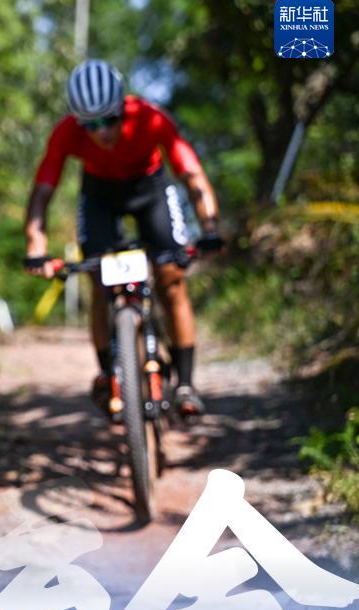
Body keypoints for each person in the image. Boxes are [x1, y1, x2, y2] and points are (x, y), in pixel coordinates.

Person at [23, 59, 222, 417]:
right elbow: (42, 192)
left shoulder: (150, 118)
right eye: (90, 125)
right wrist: (36, 248)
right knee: (98, 280)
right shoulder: (66, 132)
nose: (101, 132)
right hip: (100, 194)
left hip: (150, 189)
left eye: (109, 120)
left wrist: (209, 230)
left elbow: (192, 175)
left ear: (122, 109)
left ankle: (186, 384)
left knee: (171, 279)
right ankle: (107, 373)